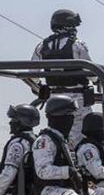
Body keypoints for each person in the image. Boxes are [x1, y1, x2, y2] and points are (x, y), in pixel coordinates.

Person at [33, 95, 89, 195]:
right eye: (70, 115)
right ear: (60, 118)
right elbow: (42, 171)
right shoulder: (44, 141)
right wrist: (68, 172)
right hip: (47, 191)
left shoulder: (62, 140)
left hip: (63, 187)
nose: (72, 119)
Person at [31, 8, 94, 149]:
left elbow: (32, 76)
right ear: (68, 26)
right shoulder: (78, 44)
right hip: (78, 99)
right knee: (84, 137)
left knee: (57, 136)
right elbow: (92, 72)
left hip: (54, 100)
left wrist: (41, 87)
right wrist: (98, 82)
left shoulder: (42, 46)